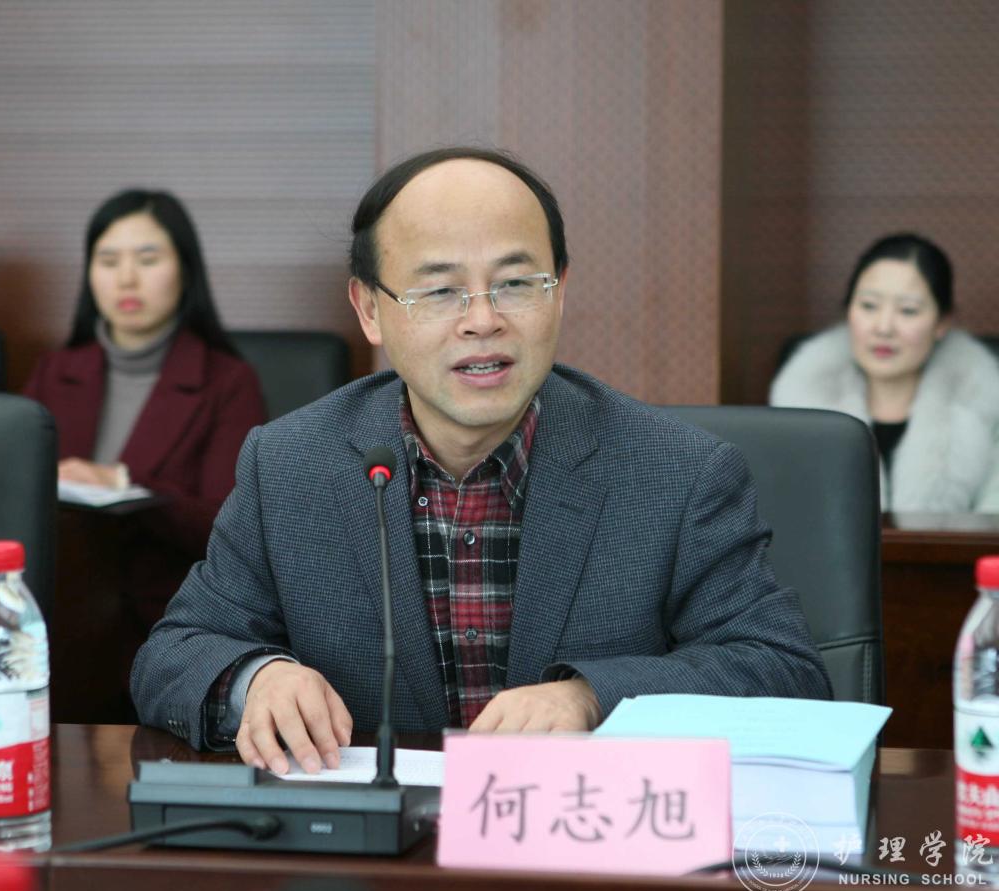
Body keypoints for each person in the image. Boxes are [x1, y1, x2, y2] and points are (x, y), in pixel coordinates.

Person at [132, 148, 830, 774]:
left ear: (560, 290)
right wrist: (256, 678)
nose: (483, 320)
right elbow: (173, 653)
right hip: (373, 854)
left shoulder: (677, 473)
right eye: (440, 291)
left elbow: (783, 670)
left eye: (516, 284)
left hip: (578, 847)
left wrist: (591, 698)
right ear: (370, 309)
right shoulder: (290, 465)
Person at [25, 189, 267, 700]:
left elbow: (234, 528)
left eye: (148, 258)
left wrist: (122, 483)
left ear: (185, 269)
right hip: (55, 621)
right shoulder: (56, 371)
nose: (126, 279)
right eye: (108, 260)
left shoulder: (228, 381)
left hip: (170, 628)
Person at [771, 233, 999, 512]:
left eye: (908, 310)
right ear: (848, 311)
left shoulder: (987, 410)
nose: (884, 327)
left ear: (942, 322)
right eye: (869, 306)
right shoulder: (797, 411)